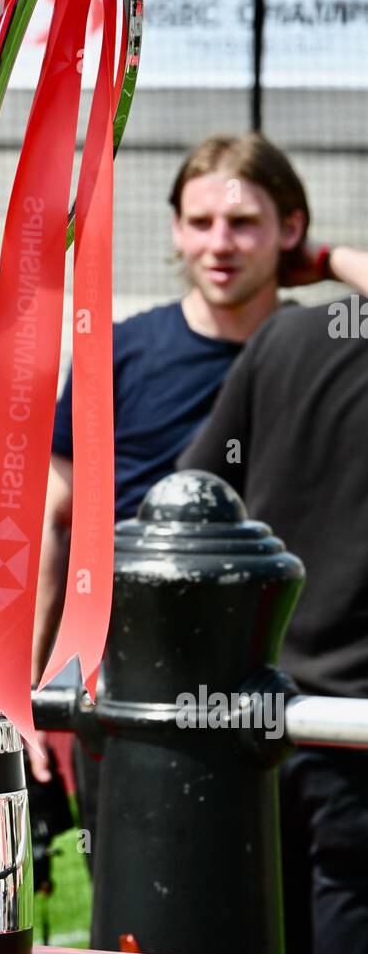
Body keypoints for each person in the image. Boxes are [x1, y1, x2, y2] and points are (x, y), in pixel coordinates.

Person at [29, 134, 368, 849]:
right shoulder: (122, 350)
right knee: (146, 920)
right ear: (176, 230)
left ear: (291, 229)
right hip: (138, 680)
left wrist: (333, 261)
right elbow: (54, 522)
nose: (221, 243)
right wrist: (29, 687)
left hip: (276, 690)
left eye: (245, 223)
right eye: (201, 221)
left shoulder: (316, 350)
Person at [176, 279, 368, 954]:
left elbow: (193, 496)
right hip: (349, 728)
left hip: (257, 716)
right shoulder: (299, 335)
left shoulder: (290, 337)